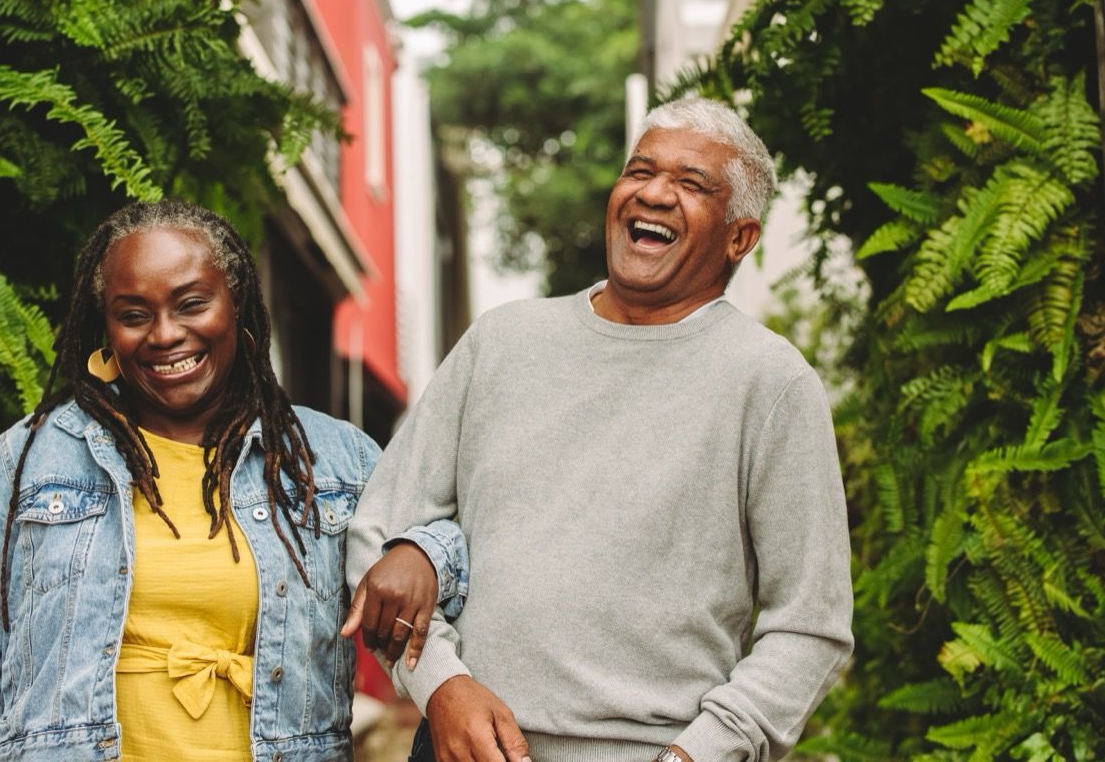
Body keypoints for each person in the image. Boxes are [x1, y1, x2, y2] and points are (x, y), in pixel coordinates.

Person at [347, 97, 854, 762]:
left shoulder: (772, 384)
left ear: (740, 237)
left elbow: (810, 627)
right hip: (462, 746)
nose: (655, 192)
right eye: (640, 171)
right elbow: (379, 532)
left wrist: (700, 754)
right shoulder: (501, 344)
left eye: (691, 183)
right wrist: (442, 687)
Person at [0, 201, 468, 761]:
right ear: (104, 329)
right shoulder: (32, 458)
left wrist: (421, 552)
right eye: (133, 314)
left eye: (191, 305)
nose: (165, 334)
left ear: (237, 306)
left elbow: (459, 550)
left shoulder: (332, 461)